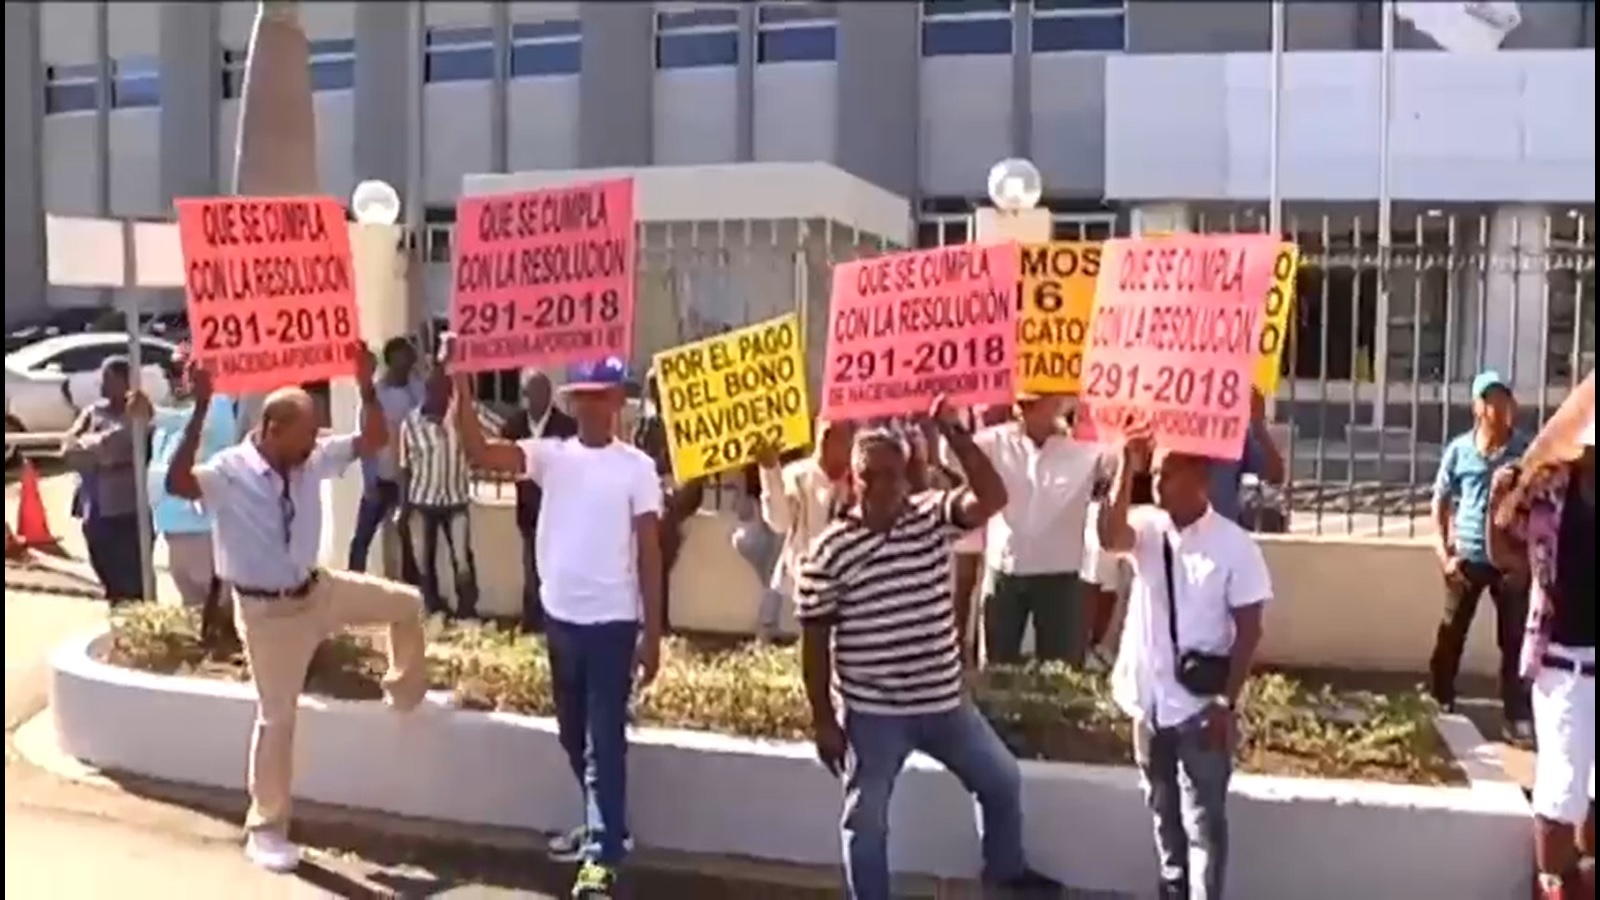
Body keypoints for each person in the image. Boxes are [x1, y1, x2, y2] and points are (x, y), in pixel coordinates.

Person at [161, 346, 429, 874]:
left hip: (317, 591)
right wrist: (200, 406)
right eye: (306, 436)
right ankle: (266, 828)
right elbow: (177, 483)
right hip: (267, 618)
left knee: (407, 604)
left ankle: (405, 690)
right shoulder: (229, 472)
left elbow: (373, 440)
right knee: (278, 719)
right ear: (272, 428)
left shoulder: (311, 458)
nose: (315, 446)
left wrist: (365, 384)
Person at [795, 402, 1060, 900]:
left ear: (906, 477)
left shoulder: (930, 515)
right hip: (873, 713)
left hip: (943, 704)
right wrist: (823, 719)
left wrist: (955, 436)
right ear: (853, 480)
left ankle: (1005, 871)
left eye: (892, 475)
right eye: (870, 476)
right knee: (865, 820)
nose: (882, 486)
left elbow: (994, 496)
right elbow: (814, 644)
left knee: (1001, 781)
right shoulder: (828, 553)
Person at [453, 349, 662, 900]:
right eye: (585, 398)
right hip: (561, 621)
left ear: (618, 403)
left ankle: (600, 857)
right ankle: (608, 826)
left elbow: (649, 554)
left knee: (603, 742)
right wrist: (461, 383)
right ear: (575, 403)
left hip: (612, 624)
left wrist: (653, 633)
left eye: (604, 397)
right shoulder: (551, 456)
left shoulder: (636, 468)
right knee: (574, 734)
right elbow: (478, 450)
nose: (595, 407)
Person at [1097, 423, 1272, 900]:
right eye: (1155, 472)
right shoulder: (1149, 531)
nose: (1157, 482)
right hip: (1149, 707)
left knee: (1204, 826)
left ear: (1201, 477)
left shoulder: (1236, 546)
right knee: (1162, 813)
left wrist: (1225, 702)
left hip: (1200, 710)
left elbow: (1250, 630)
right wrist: (1124, 465)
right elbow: (1110, 536)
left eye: (1167, 473)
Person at [1489, 396, 1594, 900]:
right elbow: (1505, 549)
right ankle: (1556, 884)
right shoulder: (1550, 488)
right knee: (1561, 789)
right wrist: (1498, 510)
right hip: (1563, 665)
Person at [1428, 370, 1533, 741]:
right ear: (1476, 407)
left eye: (1503, 399)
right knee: (1451, 631)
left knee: (1515, 640)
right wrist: (1445, 554)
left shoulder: (1525, 451)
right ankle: (1439, 699)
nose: (1497, 407)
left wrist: (1526, 561)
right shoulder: (1460, 450)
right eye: (1489, 400)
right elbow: (1439, 502)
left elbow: (1539, 507)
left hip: (1509, 564)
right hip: (1468, 558)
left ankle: (1517, 714)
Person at [976, 394, 1110, 665]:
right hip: (1004, 573)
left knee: (1060, 672)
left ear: (1060, 401)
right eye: (1024, 398)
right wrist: (945, 427)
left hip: (1060, 575)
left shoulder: (1088, 449)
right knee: (995, 669)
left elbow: (1117, 471)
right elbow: (954, 460)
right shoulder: (993, 442)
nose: (1028, 403)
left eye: (1039, 397)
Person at [398, 366, 500, 618]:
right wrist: (403, 508)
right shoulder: (410, 423)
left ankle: (467, 610)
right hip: (422, 501)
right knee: (425, 561)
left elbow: (500, 429)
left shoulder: (466, 413)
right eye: (433, 388)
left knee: (462, 559)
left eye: (445, 387)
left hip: (456, 500)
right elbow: (404, 466)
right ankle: (432, 609)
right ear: (426, 389)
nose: (439, 393)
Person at [147, 345, 239, 608]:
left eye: (189, 369)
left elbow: (186, 421)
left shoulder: (216, 406)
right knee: (192, 612)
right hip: (174, 528)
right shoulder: (177, 414)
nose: (182, 376)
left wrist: (152, 414)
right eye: (177, 370)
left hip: (202, 528)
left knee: (216, 612)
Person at [757, 418, 857, 638]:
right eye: (828, 432)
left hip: (846, 591)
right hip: (800, 589)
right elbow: (779, 522)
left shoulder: (859, 481)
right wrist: (769, 471)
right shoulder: (797, 475)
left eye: (847, 434)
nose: (847, 443)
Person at [63, 356, 150, 602]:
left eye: (108, 380)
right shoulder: (93, 411)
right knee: (106, 574)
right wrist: (94, 448)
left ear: (126, 382)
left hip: (126, 512)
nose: (102, 385)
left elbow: (119, 444)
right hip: (93, 510)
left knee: (131, 581)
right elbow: (67, 448)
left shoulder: (138, 413)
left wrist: (91, 446)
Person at [498, 369, 578, 632]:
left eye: (545, 391)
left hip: (558, 509)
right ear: (524, 395)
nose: (540, 397)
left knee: (557, 565)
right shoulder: (515, 425)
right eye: (534, 392)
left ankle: (556, 619)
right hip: (528, 509)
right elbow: (503, 458)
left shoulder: (567, 427)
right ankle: (532, 619)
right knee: (531, 563)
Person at [632, 369, 703, 633]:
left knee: (662, 541)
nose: (656, 393)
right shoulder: (645, 423)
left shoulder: (686, 420)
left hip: (683, 493)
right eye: (652, 388)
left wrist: (676, 488)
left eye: (659, 386)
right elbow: (639, 461)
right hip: (656, 494)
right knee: (658, 547)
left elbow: (695, 466)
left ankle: (658, 620)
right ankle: (657, 621)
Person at [347, 337, 424, 573]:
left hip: (408, 480)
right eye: (400, 361)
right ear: (390, 362)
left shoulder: (418, 391)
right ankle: (353, 584)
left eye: (408, 361)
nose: (405, 367)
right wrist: (369, 480)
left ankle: (414, 591)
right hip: (380, 477)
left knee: (408, 539)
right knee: (362, 537)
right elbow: (367, 439)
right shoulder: (376, 395)